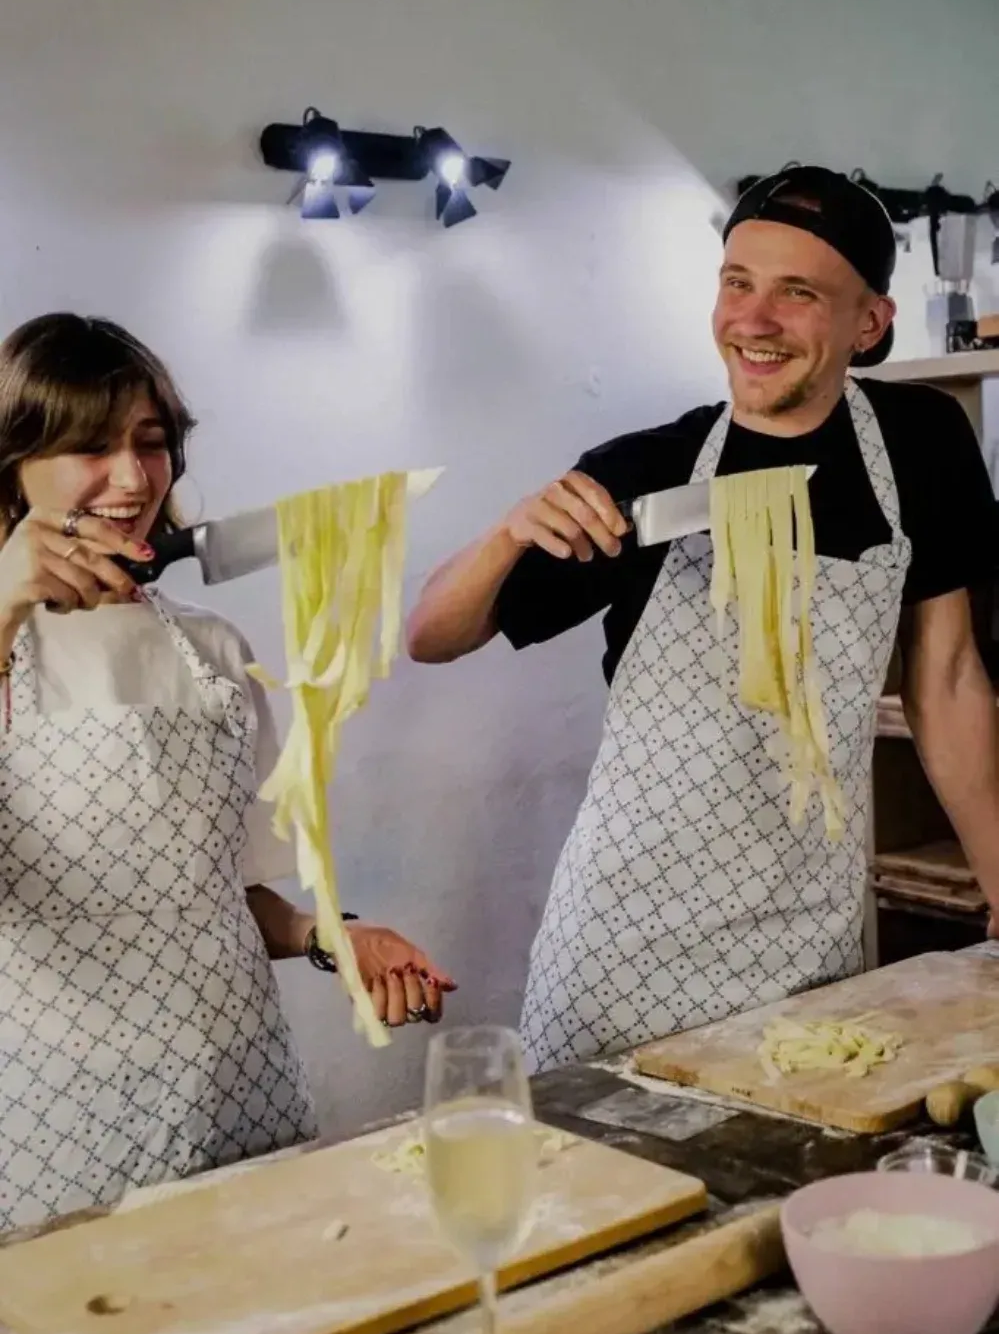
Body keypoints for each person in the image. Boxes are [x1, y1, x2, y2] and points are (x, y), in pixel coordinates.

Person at [407, 165, 999, 1074]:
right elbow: (433, 637)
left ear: (868, 324)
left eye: (796, 293)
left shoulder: (921, 447)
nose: (752, 321)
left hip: (810, 941)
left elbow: (947, 676)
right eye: (736, 283)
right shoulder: (650, 473)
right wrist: (506, 531)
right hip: (625, 949)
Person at [0, 312, 455, 1230]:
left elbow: (222, 896)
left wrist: (332, 935)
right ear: (14, 460)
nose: (132, 479)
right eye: (90, 446)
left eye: (152, 442)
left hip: (237, 1080)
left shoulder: (212, 648)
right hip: (56, 1110)